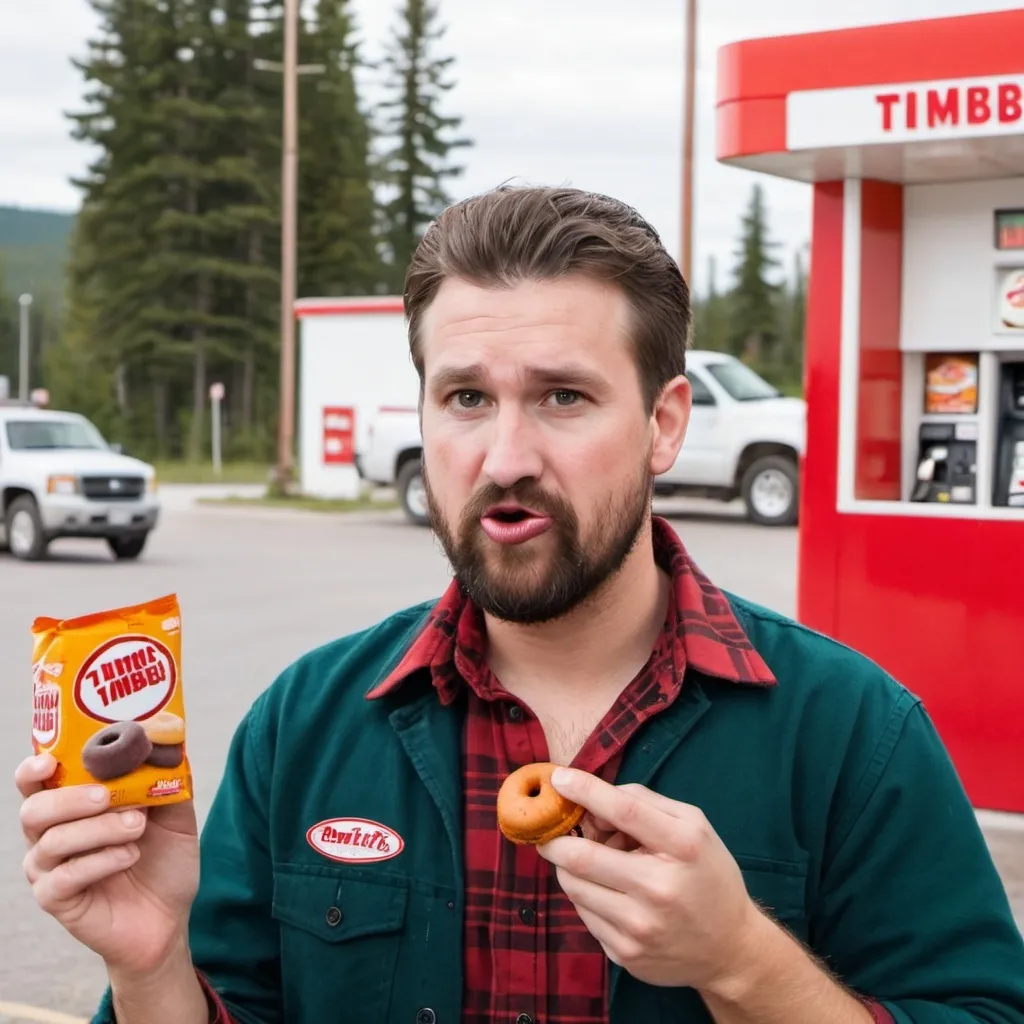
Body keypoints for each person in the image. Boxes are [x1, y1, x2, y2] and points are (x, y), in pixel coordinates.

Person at [16, 185, 1024, 1024]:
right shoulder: (305, 724)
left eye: (563, 397)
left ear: (663, 424)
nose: (504, 458)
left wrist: (743, 962)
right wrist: (149, 968)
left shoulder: (849, 732)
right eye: (465, 398)